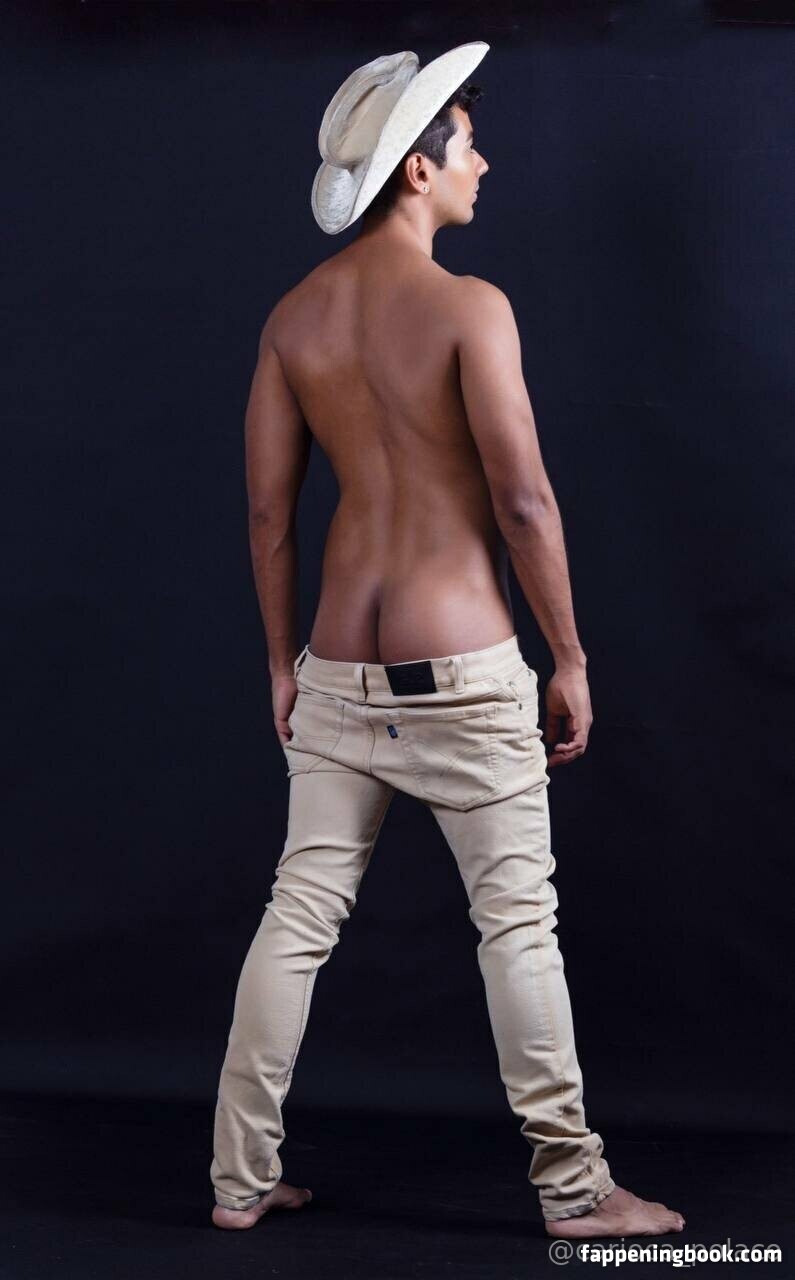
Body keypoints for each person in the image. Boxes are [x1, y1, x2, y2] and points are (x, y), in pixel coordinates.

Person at [210, 42, 685, 1239]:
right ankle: (575, 1190)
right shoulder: (472, 308)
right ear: (417, 170)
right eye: (468, 146)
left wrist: (279, 664)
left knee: (297, 918)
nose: (485, 162)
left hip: (334, 670)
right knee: (517, 926)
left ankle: (237, 1177)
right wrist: (570, 657)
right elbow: (523, 500)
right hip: (465, 673)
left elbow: (268, 514)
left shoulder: (293, 317)